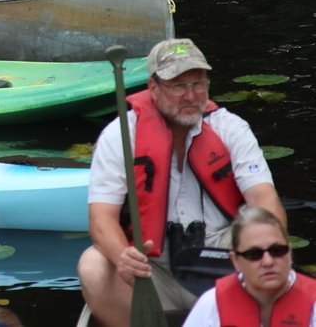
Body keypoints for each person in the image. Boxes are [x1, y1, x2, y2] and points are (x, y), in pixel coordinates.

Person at [78, 38, 287, 327]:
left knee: (268, 252)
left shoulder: (231, 129)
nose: (190, 96)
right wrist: (123, 256)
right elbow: (101, 218)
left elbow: (265, 200)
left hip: (223, 261)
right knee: (93, 265)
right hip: (153, 271)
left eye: (198, 84)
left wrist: (268, 251)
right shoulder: (120, 136)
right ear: (153, 88)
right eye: (178, 86)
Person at [182, 206, 316, 327]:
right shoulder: (211, 305)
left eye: (277, 250)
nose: (268, 261)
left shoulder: (313, 303)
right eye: (254, 254)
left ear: (290, 252)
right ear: (236, 261)